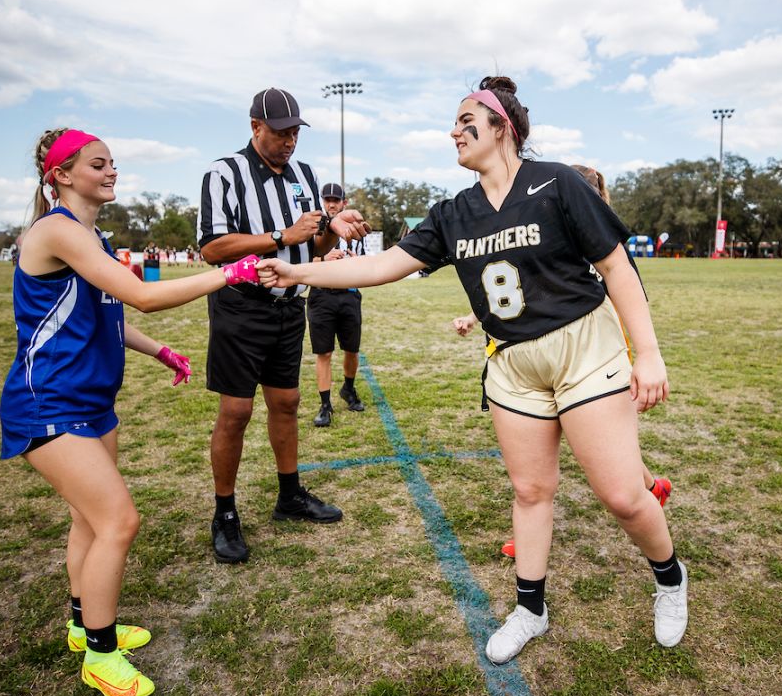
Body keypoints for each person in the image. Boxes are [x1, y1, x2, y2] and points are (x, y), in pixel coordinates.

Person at [258, 76, 688, 663]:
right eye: (453, 123)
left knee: (621, 495)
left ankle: (669, 578)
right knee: (530, 491)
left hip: (584, 350)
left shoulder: (557, 182)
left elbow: (616, 266)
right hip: (511, 362)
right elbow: (384, 266)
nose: (454, 131)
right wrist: (298, 273)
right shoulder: (453, 213)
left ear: (501, 127)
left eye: (466, 121)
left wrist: (650, 354)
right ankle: (530, 609)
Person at [0, 127, 263, 696]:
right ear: (61, 175)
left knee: (89, 522)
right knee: (119, 521)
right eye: (98, 164)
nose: (111, 171)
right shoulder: (56, 232)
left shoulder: (91, 236)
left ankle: (81, 623)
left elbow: (111, 316)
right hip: (47, 404)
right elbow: (141, 294)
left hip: (92, 403)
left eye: (112, 162)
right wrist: (229, 272)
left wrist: (160, 351)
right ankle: (100, 654)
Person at [455, 163, 672, 559]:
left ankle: (650, 491)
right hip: (538, 356)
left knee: (610, 451)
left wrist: (638, 352)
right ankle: (531, 536)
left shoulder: (598, 237)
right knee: (532, 472)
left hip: (595, 348)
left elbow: (627, 288)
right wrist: (473, 318)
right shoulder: (545, 234)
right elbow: (523, 291)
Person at [196, 86, 370, 564]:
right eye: (280, 131)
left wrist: (330, 231)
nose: (290, 140)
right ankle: (225, 512)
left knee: (288, 402)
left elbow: (309, 248)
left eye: (295, 131)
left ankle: (289, 494)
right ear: (255, 127)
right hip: (241, 304)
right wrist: (277, 236)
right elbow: (211, 248)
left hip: (290, 304)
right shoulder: (224, 174)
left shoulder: (304, 176)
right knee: (235, 411)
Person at [306, 182, 368, 427]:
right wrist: (323, 258)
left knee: (352, 348)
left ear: (345, 203)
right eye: (327, 199)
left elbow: (366, 262)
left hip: (349, 294)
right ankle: (325, 404)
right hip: (322, 295)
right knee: (324, 352)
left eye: (336, 200)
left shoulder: (355, 229)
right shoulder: (312, 225)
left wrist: (356, 261)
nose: (331, 204)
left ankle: (348, 389)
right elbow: (300, 261)